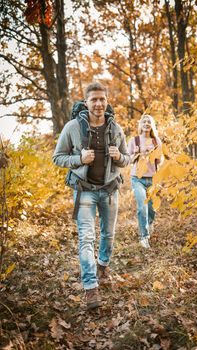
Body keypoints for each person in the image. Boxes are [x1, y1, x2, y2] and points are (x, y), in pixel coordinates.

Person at [53, 82, 130, 309]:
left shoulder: (116, 129)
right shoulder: (72, 128)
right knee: (86, 238)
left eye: (102, 99)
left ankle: (103, 264)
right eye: (93, 99)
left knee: (108, 234)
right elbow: (57, 157)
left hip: (109, 191)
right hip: (83, 190)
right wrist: (79, 159)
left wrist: (119, 157)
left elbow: (127, 159)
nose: (98, 104)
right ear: (86, 102)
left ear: (107, 102)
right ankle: (91, 288)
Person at [127, 114, 163, 249]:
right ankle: (144, 237)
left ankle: (149, 223)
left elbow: (160, 161)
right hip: (137, 179)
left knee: (152, 209)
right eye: (144, 121)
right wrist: (137, 153)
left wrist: (153, 154)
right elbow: (128, 160)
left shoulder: (156, 141)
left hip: (153, 179)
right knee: (142, 207)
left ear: (152, 125)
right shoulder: (134, 140)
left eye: (149, 122)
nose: (146, 123)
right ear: (140, 124)